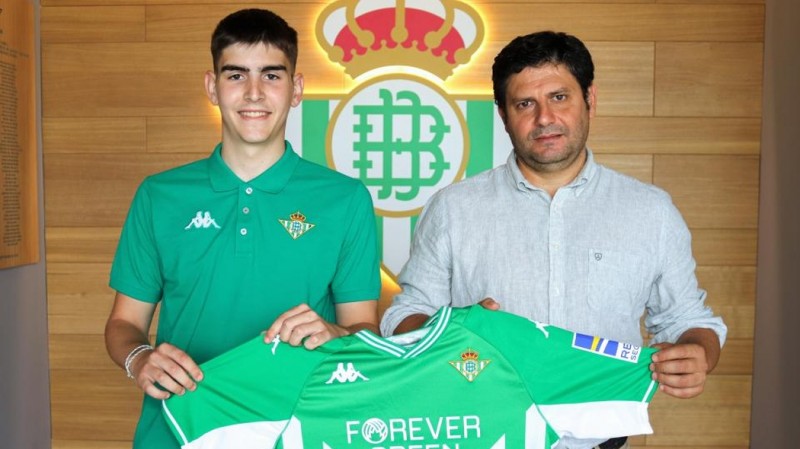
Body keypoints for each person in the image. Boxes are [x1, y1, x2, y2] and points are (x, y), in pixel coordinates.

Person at [380, 31, 726, 449]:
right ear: (504, 116)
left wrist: (697, 352)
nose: (544, 118)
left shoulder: (651, 211)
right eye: (525, 104)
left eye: (560, 97)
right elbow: (404, 316)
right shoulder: (453, 209)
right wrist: (454, 328)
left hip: (604, 438)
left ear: (590, 100)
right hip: (482, 434)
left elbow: (689, 322)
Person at [104, 9, 380, 449]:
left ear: (296, 89)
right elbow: (123, 324)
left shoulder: (345, 199)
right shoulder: (159, 195)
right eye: (236, 76)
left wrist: (338, 334)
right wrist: (140, 359)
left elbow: (366, 331)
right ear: (213, 88)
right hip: (180, 429)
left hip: (301, 430)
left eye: (272, 76)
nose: (254, 93)